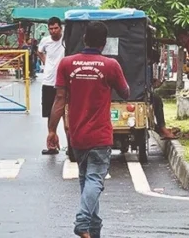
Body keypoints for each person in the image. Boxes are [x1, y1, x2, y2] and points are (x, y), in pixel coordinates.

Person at [48, 21, 129, 238]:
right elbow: (125, 92)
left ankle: (93, 231)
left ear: (84, 39)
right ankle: (82, 222)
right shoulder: (110, 65)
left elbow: (59, 99)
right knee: (95, 180)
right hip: (100, 135)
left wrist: (52, 130)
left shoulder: (66, 64)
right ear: (104, 43)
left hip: (77, 135)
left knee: (86, 182)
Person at [38, 17, 65, 155]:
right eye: (51, 29)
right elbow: (39, 51)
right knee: (50, 113)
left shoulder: (66, 40)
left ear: (61, 28)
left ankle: (71, 145)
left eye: (56, 28)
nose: (53, 31)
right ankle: (52, 145)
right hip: (48, 81)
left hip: (64, 82)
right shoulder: (45, 41)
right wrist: (45, 62)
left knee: (66, 113)